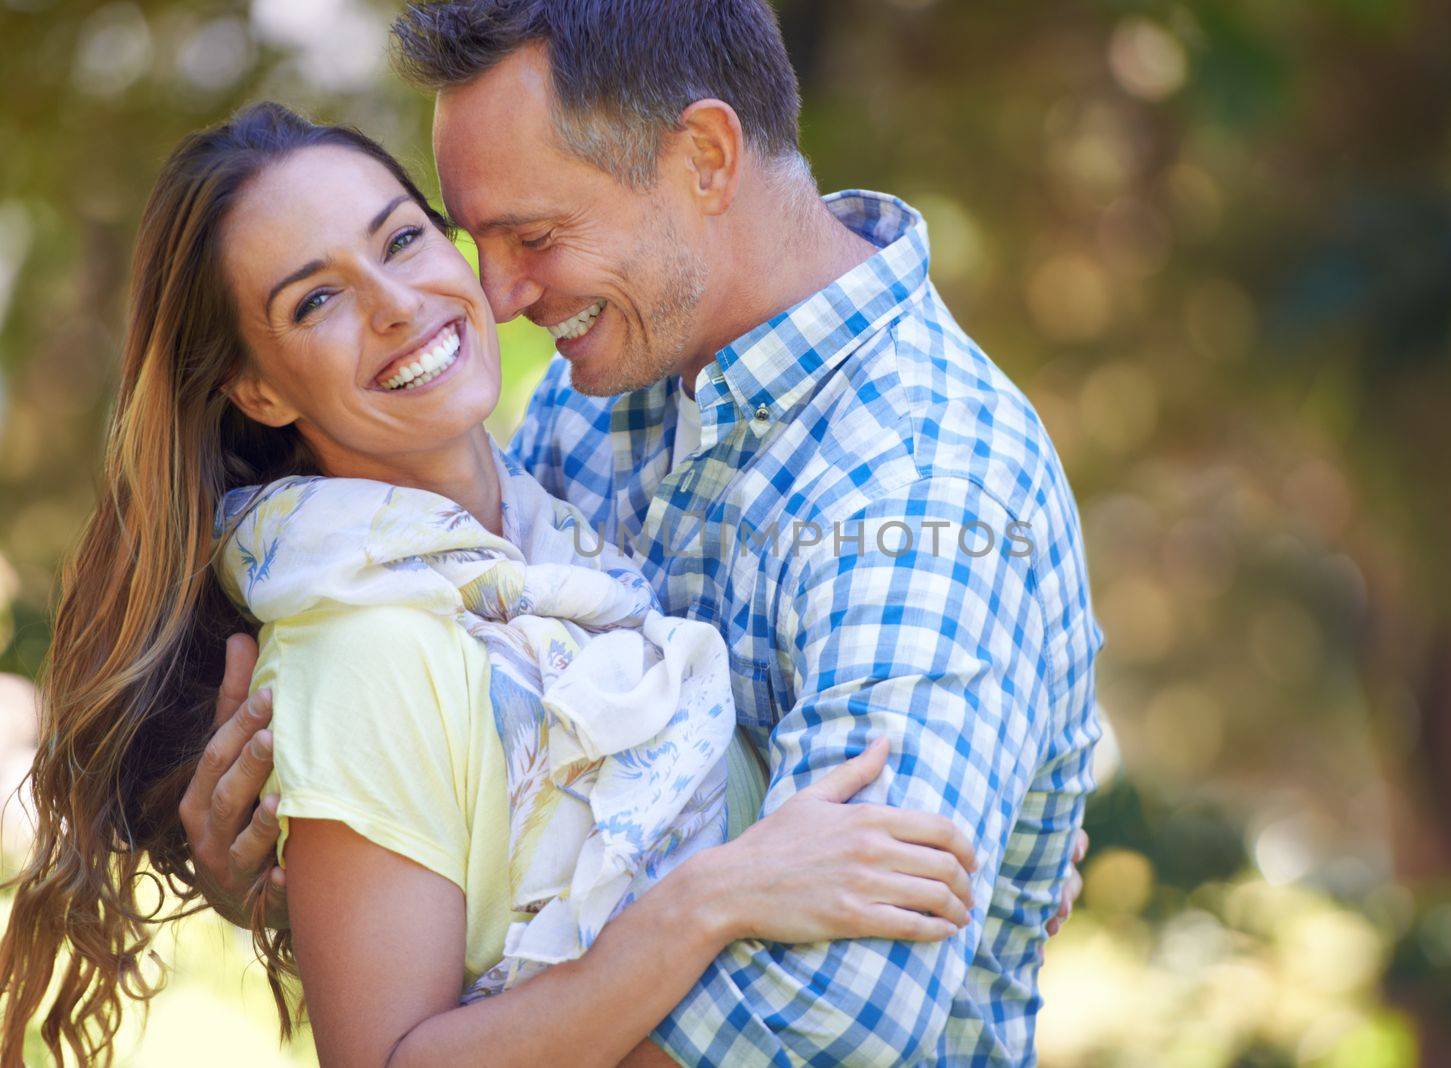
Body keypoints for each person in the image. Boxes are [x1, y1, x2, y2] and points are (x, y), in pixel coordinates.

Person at [191, 2, 1104, 1065]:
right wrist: (309, 883)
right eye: (470, 234)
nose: (494, 293)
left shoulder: (929, 485)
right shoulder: (588, 407)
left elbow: (833, 1018)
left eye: (533, 236)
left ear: (706, 159)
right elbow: (490, 823)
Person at [0, 102, 985, 1068]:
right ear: (258, 389)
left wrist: (1014, 860)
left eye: (401, 240)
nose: (394, 303)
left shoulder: (554, 545)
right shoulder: (368, 647)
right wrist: (714, 900)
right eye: (316, 300)